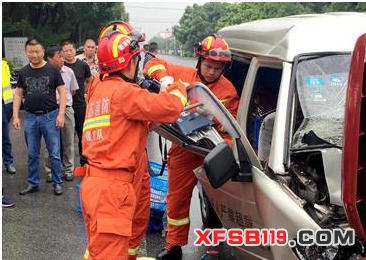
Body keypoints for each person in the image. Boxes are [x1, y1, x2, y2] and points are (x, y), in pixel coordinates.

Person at [80, 28, 187, 260]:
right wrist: (175, 85)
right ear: (131, 63)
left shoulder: (100, 87)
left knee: (105, 247)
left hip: (99, 182)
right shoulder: (126, 93)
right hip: (114, 188)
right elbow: (171, 107)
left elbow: (125, 124)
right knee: (108, 253)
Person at [144, 34, 239, 260]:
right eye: (208, 65)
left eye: (217, 68)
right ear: (200, 61)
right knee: (176, 198)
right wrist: (165, 78)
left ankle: (215, 244)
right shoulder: (184, 74)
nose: (212, 72)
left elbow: (234, 125)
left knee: (218, 200)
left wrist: (215, 118)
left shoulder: (229, 91)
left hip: (213, 149)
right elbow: (150, 62)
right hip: (185, 146)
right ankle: (174, 246)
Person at [13, 39, 66, 196]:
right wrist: (16, 116)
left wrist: (61, 113)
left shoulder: (52, 70)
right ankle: (33, 183)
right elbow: (18, 94)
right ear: (26, 52)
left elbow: (62, 92)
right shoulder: (23, 72)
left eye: (37, 51)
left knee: (54, 153)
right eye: (30, 51)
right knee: (32, 153)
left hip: (50, 116)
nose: (34, 54)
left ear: (43, 52)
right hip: (30, 118)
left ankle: (57, 182)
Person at [44, 45, 79, 182]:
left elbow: (73, 91)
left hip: (67, 109)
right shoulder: (44, 72)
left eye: (62, 55)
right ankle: (50, 171)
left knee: (68, 141)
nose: (62, 58)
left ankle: (68, 170)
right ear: (50, 58)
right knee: (50, 142)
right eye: (59, 56)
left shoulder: (69, 72)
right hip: (50, 110)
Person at [61, 39, 92, 166]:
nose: (68, 53)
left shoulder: (83, 65)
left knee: (82, 134)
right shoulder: (60, 67)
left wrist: (85, 91)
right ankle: (66, 164)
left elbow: (89, 80)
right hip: (65, 106)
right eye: (65, 51)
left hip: (79, 104)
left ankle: (84, 160)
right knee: (66, 137)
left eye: (71, 50)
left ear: (75, 50)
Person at [2, 59, 16, 174]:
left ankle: (8, 162)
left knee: (4, 136)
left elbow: (7, 86)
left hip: (4, 104)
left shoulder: (4, 65)